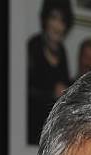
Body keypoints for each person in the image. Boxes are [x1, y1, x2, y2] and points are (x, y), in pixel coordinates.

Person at [27, 0, 73, 145]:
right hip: (31, 129)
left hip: (51, 129)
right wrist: (50, 93)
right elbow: (23, 91)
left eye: (62, 21)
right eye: (54, 18)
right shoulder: (33, 47)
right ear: (45, 20)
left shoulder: (63, 52)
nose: (58, 26)